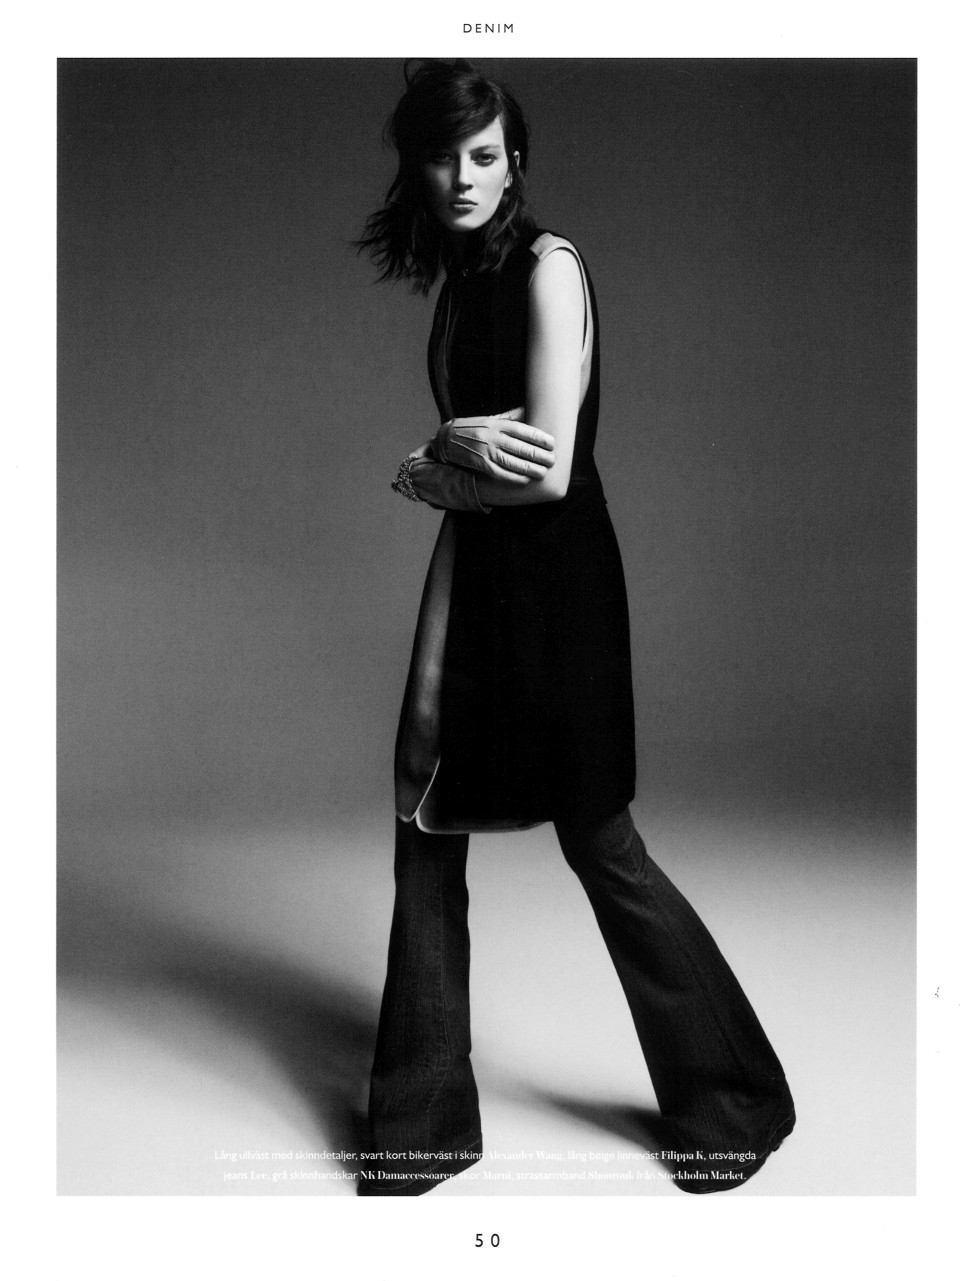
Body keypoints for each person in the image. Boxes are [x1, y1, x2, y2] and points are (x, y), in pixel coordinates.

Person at [355, 59, 795, 1197]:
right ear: (416, 166)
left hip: (556, 592)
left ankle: (734, 1102)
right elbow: (483, 460)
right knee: (423, 818)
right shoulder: (459, 285)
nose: (464, 177)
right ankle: (419, 1127)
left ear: (516, 164)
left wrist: (439, 451)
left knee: (600, 841)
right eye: (443, 156)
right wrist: (455, 449)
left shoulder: (552, 266)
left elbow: (547, 471)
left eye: (484, 156)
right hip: (475, 577)